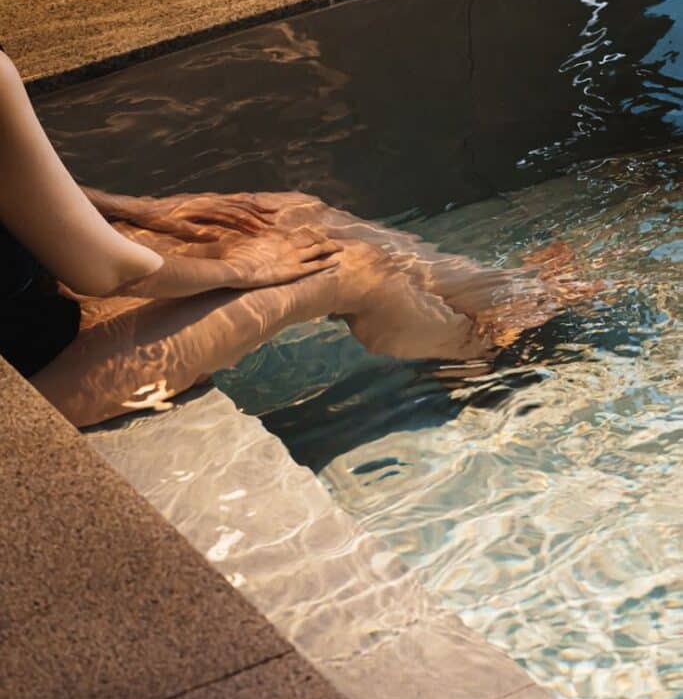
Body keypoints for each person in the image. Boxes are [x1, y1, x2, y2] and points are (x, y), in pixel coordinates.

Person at [0, 48, 597, 429]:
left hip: (35, 323)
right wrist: (247, 270)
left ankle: (503, 301)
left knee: (286, 214)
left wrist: (141, 208)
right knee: (338, 268)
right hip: (28, 395)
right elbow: (105, 273)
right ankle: (481, 356)